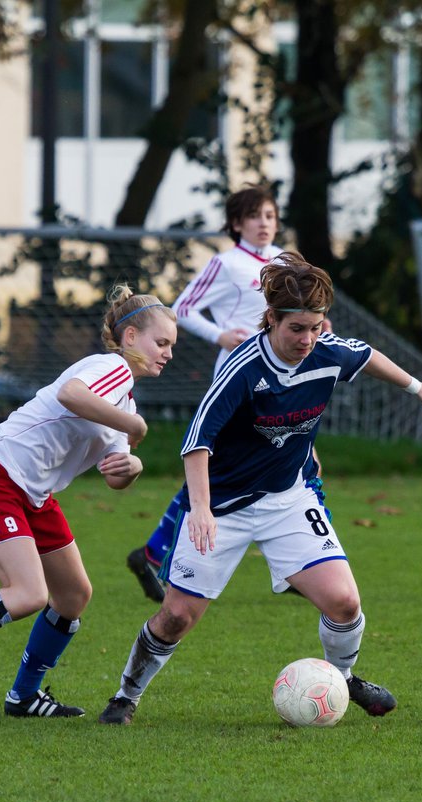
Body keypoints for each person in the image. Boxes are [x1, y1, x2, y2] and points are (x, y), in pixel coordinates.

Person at [97, 251, 422, 725]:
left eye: (316, 327)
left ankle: (342, 679)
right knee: (176, 617)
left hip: (288, 499)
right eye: (296, 329)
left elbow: (367, 355)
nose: (308, 339)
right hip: (223, 508)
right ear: (271, 320)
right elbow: (196, 444)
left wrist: (417, 387)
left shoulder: (327, 350)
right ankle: (127, 695)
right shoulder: (243, 370)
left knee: (345, 601)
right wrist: (201, 510)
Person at [0, 286, 178, 718]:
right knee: (27, 594)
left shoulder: (124, 396)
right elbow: (71, 395)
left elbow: (117, 470)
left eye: (172, 345)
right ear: (130, 337)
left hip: (33, 494)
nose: (168, 353)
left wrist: (129, 468)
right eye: (162, 342)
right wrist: (135, 425)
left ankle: (23, 697)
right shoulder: (111, 367)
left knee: (74, 594)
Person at [123, 185, 284, 602]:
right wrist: (221, 335)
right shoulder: (227, 264)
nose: (264, 223)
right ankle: (160, 552)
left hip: (282, 378)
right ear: (236, 223)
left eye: (269, 215)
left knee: (291, 459)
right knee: (222, 466)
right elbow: (183, 307)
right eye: (255, 216)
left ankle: (155, 552)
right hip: (238, 378)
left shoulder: (286, 261)